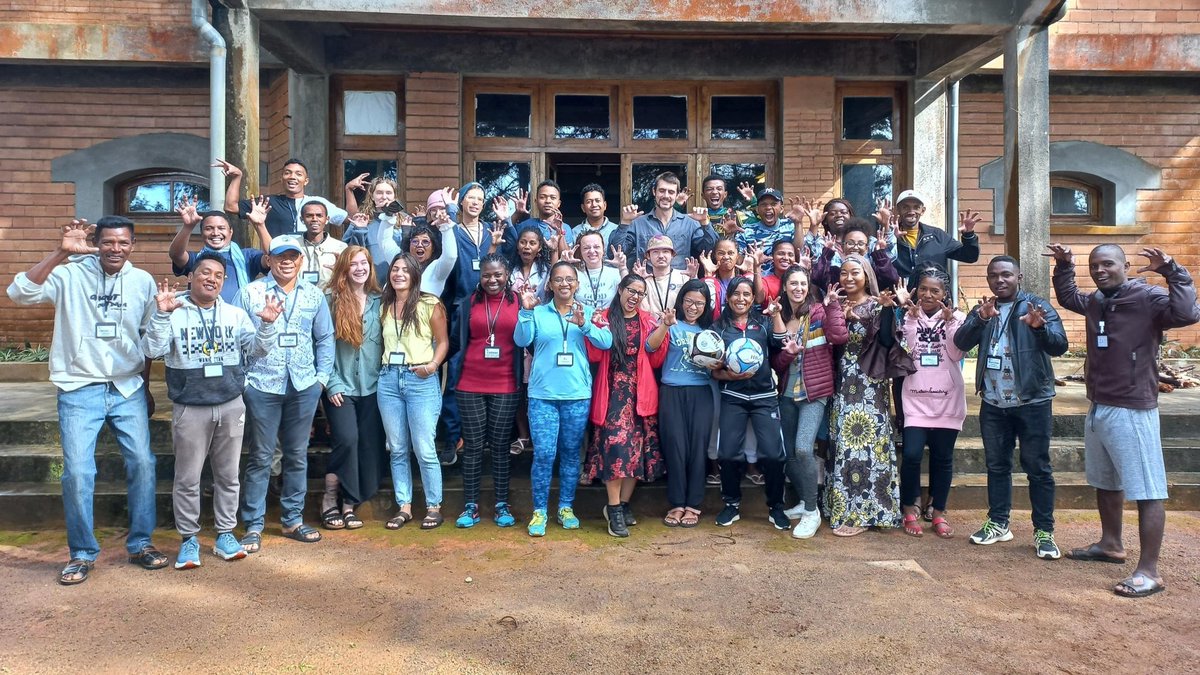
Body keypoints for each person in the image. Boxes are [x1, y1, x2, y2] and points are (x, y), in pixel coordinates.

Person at [8, 218, 162, 585]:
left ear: (133, 245)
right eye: (107, 242)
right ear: (94, 243)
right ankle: (81, 553)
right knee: (78, 472)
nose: (115, 249)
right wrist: (61, 252)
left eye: (123, 243)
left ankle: (141, 543)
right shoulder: (69, 275)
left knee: (143, 462)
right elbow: (19, 293)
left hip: (126, 388)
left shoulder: (142, 281)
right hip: (78, 387)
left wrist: (146, 383)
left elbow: (148, 335)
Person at [1050, 243, 1200, 598]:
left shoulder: (1147, 297)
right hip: (1099, 404)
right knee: (1107, 481)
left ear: (1126, 265)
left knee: (1148, 490)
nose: (1100, 271)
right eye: (1094, 266)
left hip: (1133, 408)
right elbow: (1070, 296)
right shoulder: (1098, 301)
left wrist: (1172, 271)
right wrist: (1064, 265)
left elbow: (1187, 313)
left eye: (1107, 264)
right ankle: (1110, 544)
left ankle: (1149, 571)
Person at [142, 253, 280, 568]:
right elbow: (152, 350)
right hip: (190, 407)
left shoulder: (235, 314)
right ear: (191, 276)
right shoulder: (172, 311)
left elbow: (257, 351)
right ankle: (189, 539)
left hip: (231, 403)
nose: (212, 279)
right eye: (205, 272)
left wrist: (268, 325)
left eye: (218, 275)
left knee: (229, 476)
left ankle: (225, 534)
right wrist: (162, 315)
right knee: (188, 478)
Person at [954, 255, 1068, 559]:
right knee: (997, 466)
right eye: (994, 275)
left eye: (1006, 275)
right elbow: (960, 342)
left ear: (1018, 277)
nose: (999, 280)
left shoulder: (1036, 305)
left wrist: (1039, 328)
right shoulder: (985, 308)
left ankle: (1044, 532)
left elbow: (1060, 345)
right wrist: (980, 319)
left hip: (1032, 400)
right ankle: (999, 523)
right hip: (993, 402)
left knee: (1038, 468)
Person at [235, 235, 335, 552]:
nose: (287, 261)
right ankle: (253, 525)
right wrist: (244, 381)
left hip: (303, 384)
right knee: (262, 456)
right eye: (280, 256)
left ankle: (292, 520)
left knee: (296, 455)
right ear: (270, 259)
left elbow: (325, 338)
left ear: (301, 261)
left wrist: (320, 379)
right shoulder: (250, 293)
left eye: (293, 255)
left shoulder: (313, 295)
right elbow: (235, 338)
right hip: (262, 385)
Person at [514, 261, 612, 537]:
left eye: (570, 279)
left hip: (577, 394)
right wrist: (525, 310)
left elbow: (606, 342)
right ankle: (540, 511)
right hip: (543, 395)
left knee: (570, 454)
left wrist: (586, 326)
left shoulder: (587, 312)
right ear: (550, 284)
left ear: (577, 284)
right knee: (544, 454)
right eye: (558, 279)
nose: (564, 284)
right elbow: (522, 340)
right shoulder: (538, 312)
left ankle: (566, 507)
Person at [824, 254, 902, 536]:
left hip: (870, 383)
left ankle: (871, 511)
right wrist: (836, 313)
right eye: (844, 273)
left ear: (866, 274)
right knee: (845, 445)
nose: (848, 278)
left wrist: (884, 311)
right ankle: (847, 509)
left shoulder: (875, 303)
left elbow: (885, 342)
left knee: (869, 445)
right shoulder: (837, 303)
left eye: (855, 272)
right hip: (842, 382)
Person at [585, 275, 666, 537]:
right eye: (631, 290)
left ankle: (622, 504)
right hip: (612, 394)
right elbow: (595, 354)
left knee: (637, 453)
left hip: (641, 392)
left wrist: (664, 326)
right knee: (616, 450)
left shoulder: (647, 320)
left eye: (640, 293)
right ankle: (614, 508)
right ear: (620, 289)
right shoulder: (603, 317)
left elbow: (655, 359)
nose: (635, 296)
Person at [771, 265, 848, 539]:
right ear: (785, 286)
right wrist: (789, 354)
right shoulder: (779, 317)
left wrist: (833, 307)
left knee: (804, 449)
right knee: (790, 452)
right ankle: (804, 501)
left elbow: (839, 336)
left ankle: (812, 512)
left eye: (803, 283)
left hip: (814, 393)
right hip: (787, 393)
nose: (798, 288)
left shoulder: (818, 311)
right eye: (793, 283)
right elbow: (777, 364)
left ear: (808, 286)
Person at [710, 276, 789, 530]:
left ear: (753, 298)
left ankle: (776, 507)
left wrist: (776, 315)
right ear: (728, 297)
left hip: (765, 397)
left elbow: (781, 342)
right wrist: (730, 375)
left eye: (746, 294)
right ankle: (731, 504)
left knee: (774, 455)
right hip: (733, 397)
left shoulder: (763, 323)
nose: (740, 298)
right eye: (736, 294)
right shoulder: (719, 328)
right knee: (729, 454)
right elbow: (713, 371)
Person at [377, 253, 450, 530]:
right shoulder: (384, 304)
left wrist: (432, 365)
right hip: (388, 379)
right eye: (395, 269)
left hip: (419, 377)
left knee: (424, 447)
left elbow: (443, 342)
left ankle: (433, 506)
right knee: (397, 448)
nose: (398, 274)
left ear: (415, 274)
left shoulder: (429, 303)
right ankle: (404, 506)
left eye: (405, 270)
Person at [451, 253, 522, 528]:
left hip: (505, 383)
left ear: (507, 275)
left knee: (501, 446)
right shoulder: (469, 303)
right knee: (473, 447)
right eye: (486, 275)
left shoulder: (519, 302)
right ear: (479, 277)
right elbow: (458, 340)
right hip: (470, 382)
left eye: (497, 275)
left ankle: (502, 503)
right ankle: (470, 505)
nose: (492, 280)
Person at [895, 266, 966, 539]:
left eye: (935, 290)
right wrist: (911, 320)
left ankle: (938, 511)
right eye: (923, 289)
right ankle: (909, 508)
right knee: (911, 455)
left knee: (943, 458)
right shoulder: (907, 317)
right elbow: (908, 351)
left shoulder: (956, 317)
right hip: (915, 400)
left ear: (944, 294)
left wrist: (949, 323)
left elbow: (956, 352)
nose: (928, 295)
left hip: (948, 400)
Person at [320, 246, 386, 530]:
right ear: (344, 269)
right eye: (353, 264)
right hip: (341, 386)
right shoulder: (330, 301)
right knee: (347, 439)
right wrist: (331, 382)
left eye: (364, 263)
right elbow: (322, 346)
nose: (360, 268)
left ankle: (349, 504)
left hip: (373, 387)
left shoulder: (380, 301)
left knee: (370, 446)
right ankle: (329, 496)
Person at [648, 280, 715, 528]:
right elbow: (649, 346)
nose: (693, 307)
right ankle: (676, 503)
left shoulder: (710, 331)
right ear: (681, 301)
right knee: (675, 447)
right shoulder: (671, 324)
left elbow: (719, 365)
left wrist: (717, 364)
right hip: (672, 392)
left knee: (698, 449)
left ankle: (693, 504)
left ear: (706, 305)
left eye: (699, 303)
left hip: (701, 394)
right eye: (689, 301)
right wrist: (665, 325)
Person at [507, 225, 555, 455]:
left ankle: (538, 435)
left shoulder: (545, 269)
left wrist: (555, 253)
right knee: (517, 385)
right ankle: (523, 435)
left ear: (539, 248)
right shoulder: (509, 268)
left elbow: (558, 281)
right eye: (523, 242)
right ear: (517, 245)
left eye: (532, 243)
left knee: (534, 385)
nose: (527, 246)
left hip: (539, 333)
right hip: (513, 331)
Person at [216, 157, 347, 239]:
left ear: (306, 181)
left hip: (310, 261)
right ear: (281, 178)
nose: (292, 177)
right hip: (278, 261)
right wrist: (237, 177)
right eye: (287, 173)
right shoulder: (268, 202)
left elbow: (352, 220)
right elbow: (230, 206)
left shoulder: (318, 204)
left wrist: (349, 191)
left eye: (298, 174)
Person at [169, 200, 269, 302]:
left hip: (239, 316)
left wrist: (260, 225)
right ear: (202, 233)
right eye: (209, 228)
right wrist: (188, 227)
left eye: (221, 228)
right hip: (200, 315)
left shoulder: (247, 256)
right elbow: (176, 254)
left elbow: (272, 256)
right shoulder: (197, 259)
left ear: (231, 232)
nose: (215, 233)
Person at [618, 171, 718, 269]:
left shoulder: (689, 223)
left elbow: (709, 250)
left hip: (680, 281)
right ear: (654, 191)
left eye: (671, 192)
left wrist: (705, 223)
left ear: (677, 195)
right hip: (646, 281)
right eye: (662, 191)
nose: (666, 196)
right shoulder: (638, 223)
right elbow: (616, 253)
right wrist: (625, 223)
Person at [885, 190, 980, 287]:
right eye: (905, 207)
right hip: (900, 298)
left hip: (934, 298)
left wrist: (968, 235)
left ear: (923, 210)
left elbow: (970, 256)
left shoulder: (938, 236)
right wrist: (889, 236)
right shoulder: (889, 237)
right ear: (898, 210)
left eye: (916, 207)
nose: (911, 211)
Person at [810, 219, 900, 292]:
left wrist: (880, 254)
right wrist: (827, 253)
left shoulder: (872, 271)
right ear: (842, 246)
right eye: (850, 243)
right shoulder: (835, 271)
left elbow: (891, 278)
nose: (855, 247)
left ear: (867, 247)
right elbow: (817, 277)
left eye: (860, 243)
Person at [279, 200, 347, 290]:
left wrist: (340, 271)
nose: (314, 219)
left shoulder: (340, 247)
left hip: (330, 297)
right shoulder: (293, 245)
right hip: (299, 295)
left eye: (319, 215)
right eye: (309, 216)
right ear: (302, 219)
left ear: (327, 219)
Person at [572, 229, 627, 312]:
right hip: (581, 322)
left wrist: (622, 267)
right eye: (586, 248)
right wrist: (562, 262)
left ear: (603, 248)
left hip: (611, 321)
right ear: (580, 250)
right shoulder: (574, 273)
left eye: (596, 247)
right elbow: (549, 286)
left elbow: (630, 293)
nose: (591, 251)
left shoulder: (615, 273)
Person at [639, 234, 692, 315]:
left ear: (672, 255)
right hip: (653, 326)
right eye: (655, 252)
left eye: (665, 251)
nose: (661, 256)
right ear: (648, 256)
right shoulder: (644, 282)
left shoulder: (684, 277)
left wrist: (694, 278)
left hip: (679, 326)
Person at [572, 183, 617, 249]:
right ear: (583, 208)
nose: (594, 204)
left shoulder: (616, 230)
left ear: (605, 205)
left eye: (597, 200)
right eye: (589, 201)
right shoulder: (575, 232)